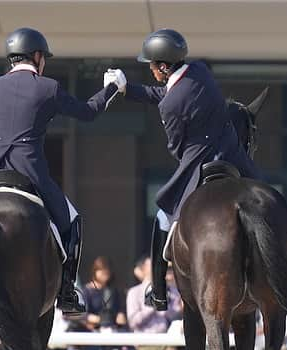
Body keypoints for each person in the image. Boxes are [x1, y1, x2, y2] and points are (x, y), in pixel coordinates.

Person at [0, 27, 119, 315]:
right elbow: (88, 112)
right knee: (72, 222)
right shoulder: (47, 87)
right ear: (37, 56)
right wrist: (112, 87)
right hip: (30, 169)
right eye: (44, 58)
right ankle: (66, 292)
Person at [104, 28, 262, 310]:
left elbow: (176, 147)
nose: (151, 70)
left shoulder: (171, 107)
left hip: (199, 163)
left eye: (152, 66)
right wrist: (126, 88)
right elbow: (167, 92)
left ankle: (159, 289)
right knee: (267, 205)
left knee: (164, 215)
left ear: (163, 67)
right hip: (233, 155)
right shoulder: (199, 71)